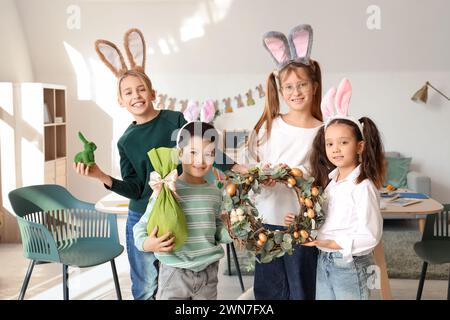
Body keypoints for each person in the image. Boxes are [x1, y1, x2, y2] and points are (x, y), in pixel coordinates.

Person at [74, 28, 242, 300]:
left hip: (181, 208)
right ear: (120, 101)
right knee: (145, 287)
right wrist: (100, 175)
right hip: (141, 215)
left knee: (176, 280)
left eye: (141, 89)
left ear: (153, 93)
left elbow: (204, 147)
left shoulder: (174, 120)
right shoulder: (125, 141)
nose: (136, 95)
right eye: (128, 92)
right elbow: (135, 188)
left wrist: (237, 169)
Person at [247, 24, 323, 300]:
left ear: (314, 86)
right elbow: (251, 168)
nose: (296, 92)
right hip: (267, 219)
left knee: (302, 288)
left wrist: (302, 182)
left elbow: (325, 180)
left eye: (302, 84)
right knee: (268, 290)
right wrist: (260, 176)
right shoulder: (270, 126)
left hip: (301, 223)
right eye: (288, 87)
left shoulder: (323, 131)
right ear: (280, 90)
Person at [303, 78, 386, 300]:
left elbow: (371, 235)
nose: (335, 149)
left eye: (343, 142)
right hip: (325, 258)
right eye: (330, 143)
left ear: (359, 146)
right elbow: (329, 218)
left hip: (350, 264)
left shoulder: (362, 186)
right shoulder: (332, 181)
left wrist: (336, 243)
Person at [133, 121, 231, 300]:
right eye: (193, 152)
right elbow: (141, 226)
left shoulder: (216, 193)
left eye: (208, 154)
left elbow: (216, 230)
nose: (200, 161)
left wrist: (234, 232)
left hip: (208, 273)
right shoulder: (167, 189)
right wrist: (148, 244)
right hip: (174, 273)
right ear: (180, 154)